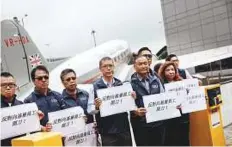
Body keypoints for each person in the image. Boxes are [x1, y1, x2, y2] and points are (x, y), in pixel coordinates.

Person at [93, 57, 133, 146]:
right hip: (107, 130)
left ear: (114, 67)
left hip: (123, 127)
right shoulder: (95, 87)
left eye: (110, 65)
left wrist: (131, 98)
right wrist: (96, 106)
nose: (108, 68)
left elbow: (127, 105)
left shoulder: (120, 84)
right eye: (105, 66)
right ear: (100, 69)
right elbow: (91, 110)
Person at [1, 72, 44, 146]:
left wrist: (36, 121)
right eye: (4, 85)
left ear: (16, 87)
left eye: (11, 85)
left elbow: (29, 130)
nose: (8, 88)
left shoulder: (22, 106)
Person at [130, 55, 165, 146]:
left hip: (158, 123)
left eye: (145, 63)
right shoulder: (130, 84)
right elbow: (128, 105)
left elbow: (163, 96)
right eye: (140, 64)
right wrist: (135, 111)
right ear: (134, 67)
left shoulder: (156, 80)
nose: (143, 66)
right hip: (141, 124)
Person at [24, 65, 66, 132]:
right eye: (40, 78)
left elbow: (66, 114)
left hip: (60, 135)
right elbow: (28, 123)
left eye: (46, 77)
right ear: (33, 81)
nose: (43, 80)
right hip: (42, 139)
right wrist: (42, 128)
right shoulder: (29, 101)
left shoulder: (58, 95)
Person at [158, 61, 190, 146]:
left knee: (184, 139)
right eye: (167, 70)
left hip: (183, 117)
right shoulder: (160, 84)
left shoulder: (181, 81)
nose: (171, 72)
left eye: (172, 69)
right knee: (172, 140)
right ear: (163, 72)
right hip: (169, 119)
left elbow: (188, 97)